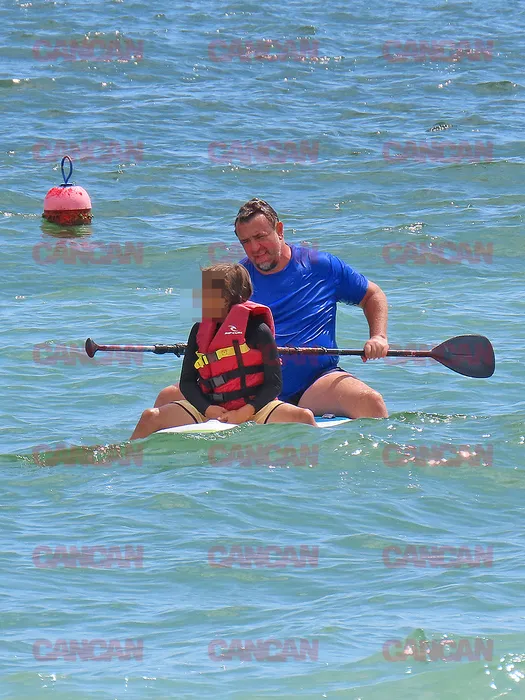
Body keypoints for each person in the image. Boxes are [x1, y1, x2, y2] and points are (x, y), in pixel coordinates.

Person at [154, 199, 389, 419]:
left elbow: (372, 295)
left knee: (371, 401)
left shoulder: (323, 266)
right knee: (166, 398)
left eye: (260, 236)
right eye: (246, 242)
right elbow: (204, 335)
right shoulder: (233, 280)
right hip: (246, 388)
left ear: (279, 230)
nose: (255, 248)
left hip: (315, 384)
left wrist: (378, 336)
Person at [131, 263, 316, 439]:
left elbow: (274, 384)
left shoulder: (258, 330)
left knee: (305, 416)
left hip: (256, 409)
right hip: (210, 409)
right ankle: (124, 455)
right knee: (150, 417)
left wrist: (245, 411)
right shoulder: (199, 330)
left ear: (230, 297)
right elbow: (187, 383)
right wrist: (207, 409)